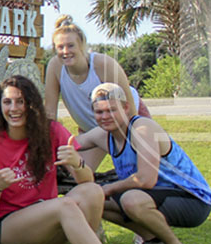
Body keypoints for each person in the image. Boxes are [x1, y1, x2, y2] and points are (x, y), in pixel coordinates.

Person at [0, 75, 162, 244]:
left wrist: (77, 162)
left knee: (93, 191)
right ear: (0, 106)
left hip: (49, 224)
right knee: (64, 206)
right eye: (7, 102)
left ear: (32, 104)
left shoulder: (51, 131)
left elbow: (86, 180)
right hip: (9, 230)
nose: (14, 108)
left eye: (21, 101)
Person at [75, 82, 211, 244]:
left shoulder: (142, 128)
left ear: (125, 108)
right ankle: (154, 243)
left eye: (112, 110)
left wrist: (107, 188)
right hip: (154, 196)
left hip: (191, 200)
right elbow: (69, 143)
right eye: (99, 112)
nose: (105, 117)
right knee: (94, 200)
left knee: (130, 200)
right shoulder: (103, 134)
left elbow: (145, 180)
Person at [44, 15, 151, 169]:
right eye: (60, 47)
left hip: (126, 121)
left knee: (147, 169)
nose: (65, 51)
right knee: (75, 171)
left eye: (71, 45)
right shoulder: (55, 67)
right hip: (92, 128)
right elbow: (49, 112)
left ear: (81, 45)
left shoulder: (103, 65)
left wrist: (132, 138)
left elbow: (129, 108)